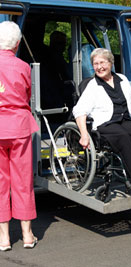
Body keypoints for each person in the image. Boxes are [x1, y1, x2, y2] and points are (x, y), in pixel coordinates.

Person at [73, 48, 131, 193]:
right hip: (105, 123)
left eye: (102, 63)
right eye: (95, 64)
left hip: (124, 119)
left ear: (110, 62)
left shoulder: (122, 79)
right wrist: (84, 135)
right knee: (123, 136)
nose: (99, 67)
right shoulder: (93, 86)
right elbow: (79, 111)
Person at [0, 21, 39, 251]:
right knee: (23, 182)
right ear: (16, 44)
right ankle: (27, 234)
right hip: (19, 127)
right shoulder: (24, 66)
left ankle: (4, 237)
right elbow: (27, 96)